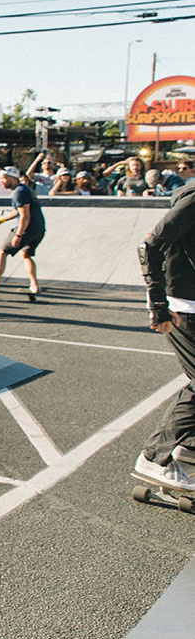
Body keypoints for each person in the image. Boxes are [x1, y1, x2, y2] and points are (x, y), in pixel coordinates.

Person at [135, 178, 195, 493]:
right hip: (181, 308)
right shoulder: (194, 200)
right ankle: (153, 457)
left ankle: (186, 444)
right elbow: (149, 245)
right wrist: (157, 303)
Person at [0, 166, 44, 297]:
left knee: (2, 252)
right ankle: (34, 286)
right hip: (39, 228)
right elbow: (18, 211)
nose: (2, 182)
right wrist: (1, 220)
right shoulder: (25, 190)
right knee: (26, 255)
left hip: (27, 228)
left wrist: (19, 235)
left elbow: (25, 216)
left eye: (4, 179)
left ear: (13, 179)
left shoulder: (19, 192)